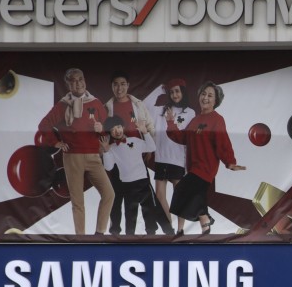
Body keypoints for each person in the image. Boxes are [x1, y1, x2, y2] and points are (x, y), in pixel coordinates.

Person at [36, 67, 115, 235]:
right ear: (68, 85)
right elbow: (44, 125)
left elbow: (105, 131)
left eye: (80, 79)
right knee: (78, 202)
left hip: (94, 156)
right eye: (73, 81)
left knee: (109, 194)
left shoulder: (95, 103)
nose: (78, 83)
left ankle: (99, 234)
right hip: (73, 157)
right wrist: (56, 142)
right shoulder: (62, 105)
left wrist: (101, 129)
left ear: (85, 81)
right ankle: (81, 238)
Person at [166, 81, 245, 235]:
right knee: (192, 196)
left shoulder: (217, 119)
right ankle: (200, 225)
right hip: (194, 167)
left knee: (183, 190)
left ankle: (204, 218)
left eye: (210, 95)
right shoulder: (195, 120)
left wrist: (230, 162)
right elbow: (183, 138)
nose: (205, 98)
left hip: (206, 168)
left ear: (216, 101)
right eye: (203, 94)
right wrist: (171, 123)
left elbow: (223, 142)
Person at [100, 116, 172, 236]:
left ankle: (165, 232)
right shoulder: (111, 148)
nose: (117, 131)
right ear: (109, 133)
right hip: (127, 185)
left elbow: (151, 147)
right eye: (113, 129)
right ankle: (130, 236)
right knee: (130, 212)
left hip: (143, 182)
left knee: (153, 208)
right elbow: (109, 167)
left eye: (118, 127)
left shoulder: (135, 140)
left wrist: (144, 132)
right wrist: (106, 151)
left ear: (122, 127)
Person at [104, 72, 157, 234]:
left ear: (128, 85)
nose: (119, 88)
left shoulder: (138, 105)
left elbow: (149, 126)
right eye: (115, 84)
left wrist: (149, 148)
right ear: (112, 86)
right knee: (116, 196)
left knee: (146, 198)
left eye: (122, 84)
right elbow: (104, 133)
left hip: (137, 153)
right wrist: (106, 151)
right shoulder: (107, 107)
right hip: (116, 155)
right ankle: (115, 230)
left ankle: (151, 230)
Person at [146, 79, 194, 234]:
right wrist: (159, 90)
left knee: (179, 196)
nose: (174, 95)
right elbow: (145, 106)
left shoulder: (189, 112)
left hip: (178, 159)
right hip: (161, 158)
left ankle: (181, 229)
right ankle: (170, 230)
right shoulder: (160, 110)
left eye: (177, 91)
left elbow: (190, 138)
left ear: (183, 92)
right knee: (160, 196)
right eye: (171, 92)